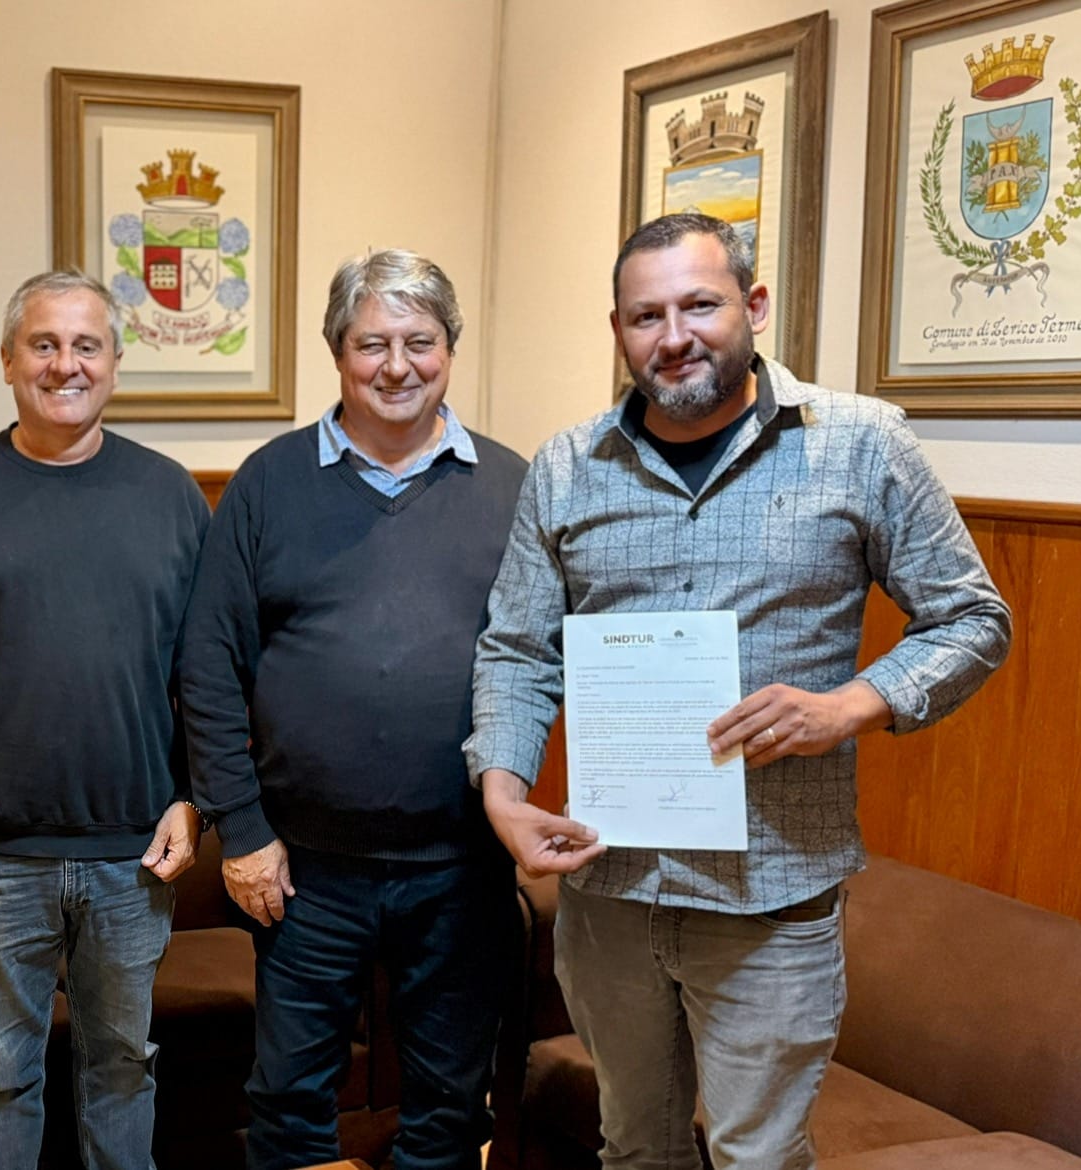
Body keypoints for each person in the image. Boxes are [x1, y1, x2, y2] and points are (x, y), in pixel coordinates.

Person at [467, 212, 1012, 1169]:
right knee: (634, 1149)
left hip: (773, 894)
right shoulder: (567, 466)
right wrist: (502, 794)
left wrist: (851, 706)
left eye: (700, 305)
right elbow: (517, 651)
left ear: (753, 306)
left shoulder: (861, 443)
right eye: (647, 316)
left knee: (758, 1158)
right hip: (612, 889)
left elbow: (973, 618)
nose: (674, 336)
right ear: (619, 329)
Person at [181, 249, 528, 1170]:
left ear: (450, 348)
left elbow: (544, 658)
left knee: (449, 1108)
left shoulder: (513, 486)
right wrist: (242, 831)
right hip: (302, 870)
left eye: (421, 341)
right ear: (337, 351)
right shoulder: (268, 483)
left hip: (464, 865)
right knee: (289, 1105)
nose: (397, 365)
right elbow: (208, 666)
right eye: (373, 343)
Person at [0, 270, 211, 1169]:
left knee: (124, 1067)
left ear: (115, 363)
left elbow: (209, 673)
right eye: (44, 344)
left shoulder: (172, 497)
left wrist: (196, 800)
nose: (66, 364)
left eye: (86, 346)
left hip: (135, 857)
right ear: (7, 360)